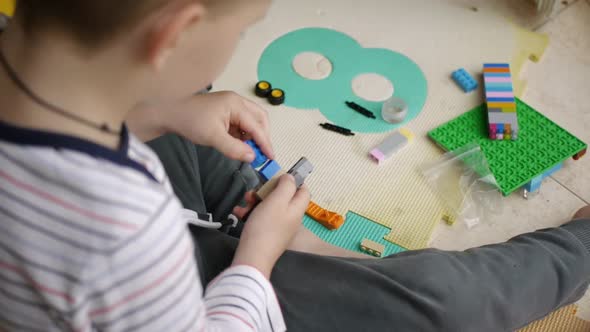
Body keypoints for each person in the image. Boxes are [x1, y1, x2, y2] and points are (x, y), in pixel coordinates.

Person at [0, 0, 589, 331]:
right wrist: (258, 254)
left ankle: (291, 239)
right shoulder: (119, 236)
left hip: (97, 188)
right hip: (190, 301)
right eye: (245, 29)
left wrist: (156, 113)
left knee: (241, 173)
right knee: (447, 303)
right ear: (174, 34)